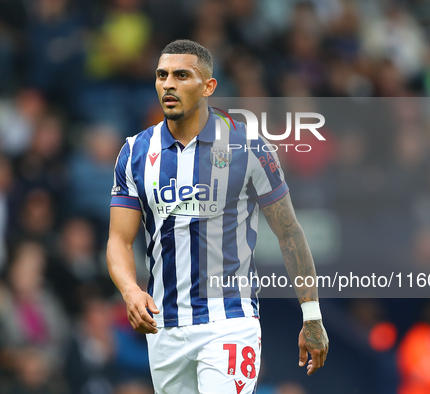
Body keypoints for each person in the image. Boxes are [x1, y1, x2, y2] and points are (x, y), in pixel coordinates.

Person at [106, 39, 328, 393]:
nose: (169, 84)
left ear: (208, 86)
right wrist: (131, 290)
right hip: (164, 328)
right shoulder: (135, 152)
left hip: (229, 322)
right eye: (162, 75)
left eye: (181, 75)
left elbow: (289, 233)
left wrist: (312, 314)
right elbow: (119, 239)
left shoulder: (249, 147)